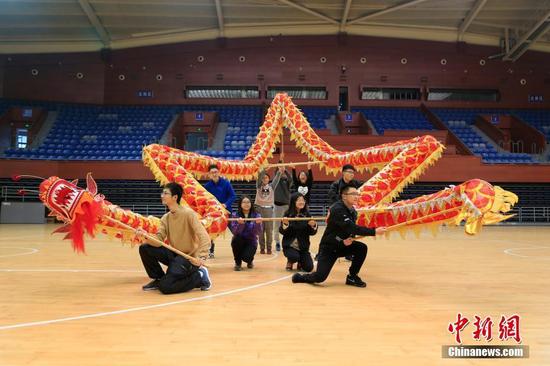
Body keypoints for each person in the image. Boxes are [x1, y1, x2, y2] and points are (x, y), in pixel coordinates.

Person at [292, 185, 386, 288]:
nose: (356, 196)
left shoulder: (352, 210)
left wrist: (349, 238)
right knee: (320, 277)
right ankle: (301, 278)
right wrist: (374, 231)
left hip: (342, 245)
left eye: (357, 194)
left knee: (361, 248)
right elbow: (352, 228)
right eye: (353, 194)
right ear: (344, 196)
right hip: (329, 247)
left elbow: (350, 230)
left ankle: (352, 276)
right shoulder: (337, 209)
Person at [138, 182, 212, 294]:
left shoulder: (188, 214)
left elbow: (204, 236)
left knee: (166, 287)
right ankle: (158, 278)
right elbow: (158, 241)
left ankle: (199, 276)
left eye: (165, 193)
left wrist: (201, 257)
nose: (162, 195)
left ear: (175, 197)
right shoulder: (165, 218)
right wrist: (146, 236)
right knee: (145, 248)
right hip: (175, 255)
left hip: (188, 258)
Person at [326, 164, 363, 261]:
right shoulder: (336, 184)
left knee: (351, 231)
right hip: (338, 211)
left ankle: (349, 252)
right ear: (343, 173)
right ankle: (322, 252)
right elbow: (332, 197)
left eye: (353, 173)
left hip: (351, 211)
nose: (352, 174)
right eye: (349, 172)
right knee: (333, 232)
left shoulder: (356, 183)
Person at [204, 163, 236, 258]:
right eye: (212, 172)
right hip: (213, 213)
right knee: (210, 233)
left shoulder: (226, 183)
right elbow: (206, 199)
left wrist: (225, 204)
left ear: (219, 172)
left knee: (236, 231)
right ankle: (211, 251)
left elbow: (233, 196)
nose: (214, 174)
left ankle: (239, 249)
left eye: (216, 172)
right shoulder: (207, 186)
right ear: (209, 174)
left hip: (227, 211)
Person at [279, 193, 316, 272]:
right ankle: (290, 261)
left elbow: (312, 233)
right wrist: (285, 224)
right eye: (299, 200)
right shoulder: (288, 214)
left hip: (303, 247)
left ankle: (300, 261)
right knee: (294, 256)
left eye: (303, 200)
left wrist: (313, 225)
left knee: (309, 268)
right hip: (290, 246)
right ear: (293, 202)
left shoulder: (307, 214)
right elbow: (282, 231)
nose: (301, 202)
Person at [228, 195, 263, 271]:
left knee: (246, 258)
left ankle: (249, 261)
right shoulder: (235, 215)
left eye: (248, 202)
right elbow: (235, 232)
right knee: (236, 240)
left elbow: (258, 232)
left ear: (251, 204)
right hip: (239, 240)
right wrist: (241, 224)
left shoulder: (257, 215)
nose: (246, 204)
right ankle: (238, 263)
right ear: (240, 204)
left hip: (251, 241)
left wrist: (257, 224)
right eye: (244, 202)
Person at [255, 168, 281, 254]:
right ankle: (262, 248)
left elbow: (276, 179)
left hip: (269, 209)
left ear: (269, 179)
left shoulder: (271, 186)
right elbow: (259, 178)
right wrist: (263, 171)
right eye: (263, 178)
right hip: (259, 209)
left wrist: (280, 171)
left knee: (269, 230)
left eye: (266, 178)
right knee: (260, 230)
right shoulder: (259, 186)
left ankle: (269, 248)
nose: (264, 179)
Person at [273, 163, 292, 251]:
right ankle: (277, 242)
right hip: (277, 206)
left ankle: (288, 242)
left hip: (286, 206)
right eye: (279, 169)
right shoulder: (276, 181)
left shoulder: (287, 181)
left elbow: (291, 179)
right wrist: (280, 167)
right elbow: (276, 172)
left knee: (288, 225)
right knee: (276, 225)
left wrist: (286, 170)